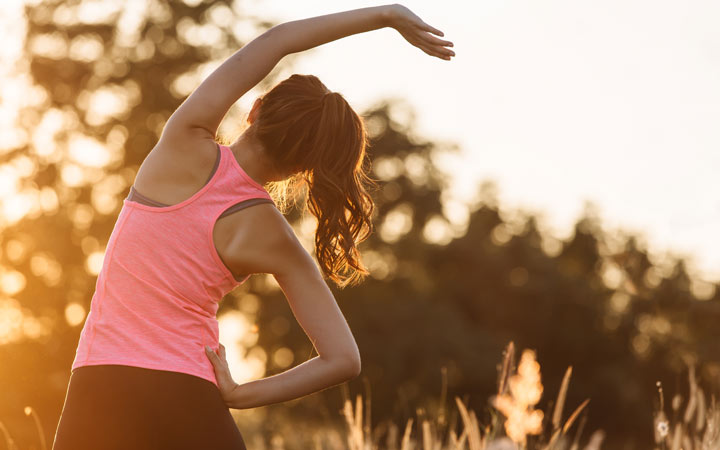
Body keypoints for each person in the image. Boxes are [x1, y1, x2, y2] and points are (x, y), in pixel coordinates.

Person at [51, 4, 454, 449]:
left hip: (101, 386)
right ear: (304, 168)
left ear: (255, 110)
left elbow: (278, 41)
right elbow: (343, 360)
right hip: (191, 397)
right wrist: (241, 395)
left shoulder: (183, 143)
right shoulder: (274, 236)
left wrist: (386, 15)